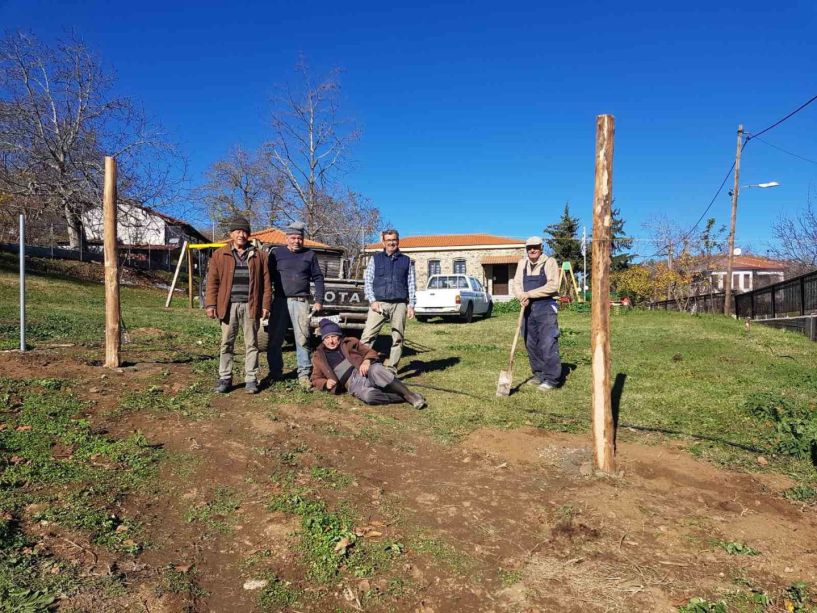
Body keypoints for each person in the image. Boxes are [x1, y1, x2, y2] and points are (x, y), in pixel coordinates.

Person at [205, 215, 271, 394]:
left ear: (249, 235)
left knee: (252, 344)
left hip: (251, 306)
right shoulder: (220, 254)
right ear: (231, 234)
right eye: (238, 231)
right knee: (227, 343)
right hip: (228, 307)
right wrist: (210, 304)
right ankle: (225, 378)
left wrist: (266, 305)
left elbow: (266, 283)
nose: (241, 235)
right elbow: (212, 282)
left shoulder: (260, 256)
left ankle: (251, 379)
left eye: (244, 232)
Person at [311, 318, 426, 409]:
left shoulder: (350, 342)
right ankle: (402, 397)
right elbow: (315, 378)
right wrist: (325, 383)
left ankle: (410, 396)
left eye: (333, 337)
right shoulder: (318, 357)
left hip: (365, 371)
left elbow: (370, 352)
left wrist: (366, 361)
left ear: (339, 337)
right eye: (327, 338)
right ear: (323, 339)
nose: (331, 341)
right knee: (369, 397)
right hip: (353, 383)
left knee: (377, 369)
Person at [267, 221, 325, 388]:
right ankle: (275, 372)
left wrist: (319, 300)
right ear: (287, 238)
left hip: (300, 302)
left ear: (303, 239)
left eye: (299, 238)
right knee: (275, 338)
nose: (296, 241)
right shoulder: (276, 253)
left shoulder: (309, 255)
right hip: (279, 301)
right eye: (293, 237)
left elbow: (318, 278)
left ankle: (304, 374)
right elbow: (267, 278)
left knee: (302, 339)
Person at [360, 229, 416, 372]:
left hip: (399, 304)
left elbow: (411, 283)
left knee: (398, 338)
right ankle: (359, 365)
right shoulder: (375, 259)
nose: (392, 243)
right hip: (379, 303)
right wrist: (372, 301)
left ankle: (391, 370)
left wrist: (411, 305)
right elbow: (368, 281)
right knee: (367, 336)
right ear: (383, 242)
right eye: (388, 240)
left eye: (394, 240)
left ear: (398, 241)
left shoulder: (406, 260)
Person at [513, 236, 562, 391]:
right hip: (527, 307)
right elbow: (516, 283)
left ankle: (551, 378)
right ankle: (539, 373)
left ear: (541, 247)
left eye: (535, 247)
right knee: (530, 342)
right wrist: (521, 296)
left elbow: (553, 286)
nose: (532, 250)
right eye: (529, 248)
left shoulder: (549, 262)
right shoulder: (522, 263)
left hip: (546, 306)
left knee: (547, 341)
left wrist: (530, 294)